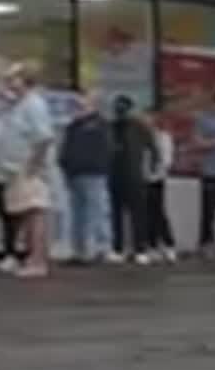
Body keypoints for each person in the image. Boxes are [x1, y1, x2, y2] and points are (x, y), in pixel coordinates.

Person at [0, 62, 54, 279]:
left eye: (13, 79)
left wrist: (33, 165)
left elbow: (44, 137)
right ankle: (32, 257)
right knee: (26, 213)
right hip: (15, 168)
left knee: (34, 213)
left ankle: (38, 260)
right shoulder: (18, 105)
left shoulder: (33, 105)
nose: (9, 83)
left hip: (27, 169)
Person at [59, 90, 112, 263]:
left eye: (83, 103)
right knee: (77, 214)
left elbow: (105, 149)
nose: (79, 106)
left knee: (96, 211)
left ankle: (100, 247)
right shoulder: (73, 126)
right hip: (74, 174)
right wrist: (65, 165)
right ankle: (79, 249)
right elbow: (65, 148)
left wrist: (97, 165)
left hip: (93, 173)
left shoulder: (100, 125)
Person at [108, 95, 157, 266]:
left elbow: (153, 148)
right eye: (118, 107)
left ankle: (140, 249)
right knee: (116, 215)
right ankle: (118, 248)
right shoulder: (111, 127)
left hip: (135, 176)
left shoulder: (139, 127)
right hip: (115, 175)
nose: (120, 111)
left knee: (138, 214)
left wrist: (152, 169)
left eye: (123, 107)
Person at [0, 81, 24, 272]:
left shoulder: (18, 120)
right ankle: (9, 251)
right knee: (5, 214)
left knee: (15, 214)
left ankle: (15, 253)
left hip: (14, 172)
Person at [194, 90, 215, 256]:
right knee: (208, 213)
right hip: (211, 172)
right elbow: (198, 143)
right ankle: (206, 244)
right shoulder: (203, 119)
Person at [145, 112, 176, 262]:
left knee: (158, 213)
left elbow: (167, 160)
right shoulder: (141, 138)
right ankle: (152, 246)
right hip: (142, 180)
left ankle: (169, 245)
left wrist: (156, 172)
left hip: (156, 179)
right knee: (146, 214)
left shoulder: (163, 137)